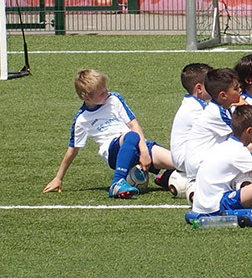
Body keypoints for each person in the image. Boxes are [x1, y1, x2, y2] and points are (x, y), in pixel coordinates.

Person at [43, 69, 173, 198]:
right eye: (101, 93)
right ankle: (117, 182)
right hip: (113, 150)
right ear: (87, 98)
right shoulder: (82, 119)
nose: (106, 93)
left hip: (138, 144)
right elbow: (72, 150)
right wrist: (58, 178)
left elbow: (134, 124)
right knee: (131, 136)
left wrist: (144, 151)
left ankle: (165, 178)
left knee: (181, 161)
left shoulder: (114, 99)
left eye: (106, 88)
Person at [175, 67, 243, 186]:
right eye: (236, 88)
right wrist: (244, 107)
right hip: (197, 163)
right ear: (223, 95)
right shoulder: (210, 112)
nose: (240, 91)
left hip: (196, 161)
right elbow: (242, 132)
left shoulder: (217, 108)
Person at [168, 62, 212, 189]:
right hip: (186, 159)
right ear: (199, 88)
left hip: (182, 158)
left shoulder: (193, 104)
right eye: (211, 83)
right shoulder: (195, 109)